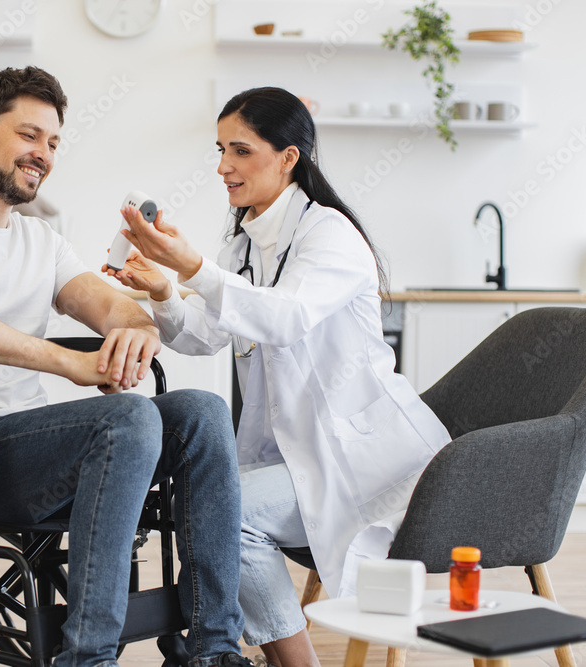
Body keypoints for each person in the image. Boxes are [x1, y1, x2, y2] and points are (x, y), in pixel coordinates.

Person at [0, 66, 249, 667]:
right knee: (126, 420)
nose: (41, 154)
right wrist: (67, 363)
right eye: (28, 136)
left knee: (201, 413)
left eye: (51, 142)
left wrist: (138, 330)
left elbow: (112, 306)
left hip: (22, 448)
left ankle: (213, 650)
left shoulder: (41, 240)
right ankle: (87, 659)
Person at [104, 87, 452, 667]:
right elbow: (206, 335)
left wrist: (191, 266)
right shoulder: (245, 243)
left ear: (288, 157)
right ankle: (221, 649)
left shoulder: (330, 234)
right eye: (220, 150)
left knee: (224, 513)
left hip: (366, 462)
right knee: (203, 499)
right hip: (295, 456)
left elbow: (284, 318)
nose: (223, 167)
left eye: (240, 151)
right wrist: (164, 290)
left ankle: (294, 663)